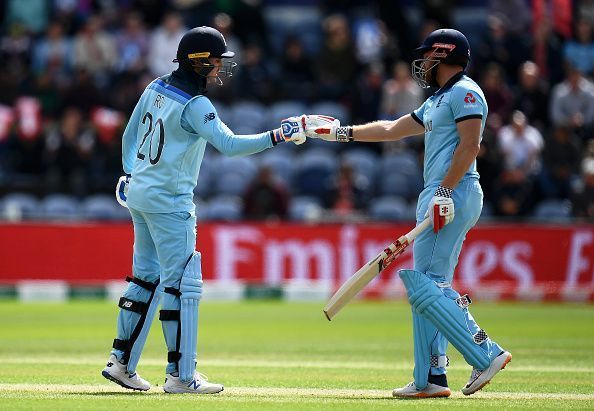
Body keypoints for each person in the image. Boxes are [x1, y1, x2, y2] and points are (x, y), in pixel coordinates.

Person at [304, 29, 511, 398]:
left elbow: (471, 144)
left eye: (429, 56)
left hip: (453, 191)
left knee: (424, 285)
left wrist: (445, 189)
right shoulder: (438, 100)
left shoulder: (466, 91)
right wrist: (339, 134)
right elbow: (391, 129)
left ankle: (485, 352)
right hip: (441, 192)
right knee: (429, 287)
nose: (424, 64)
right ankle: (430, 377)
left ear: (444, 55)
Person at [101, 26, 307, 394]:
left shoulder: (154, 87)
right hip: (170, 202)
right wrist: (280, 134)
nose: (219, 69)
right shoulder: (196, 104)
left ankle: (121, 363)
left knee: (145, 278)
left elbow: (128, 137)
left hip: (140, 195)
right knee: (182, 285)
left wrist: (134, 174)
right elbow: (229, 145)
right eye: (216, 62)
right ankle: (181, 376)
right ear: (198, 61)